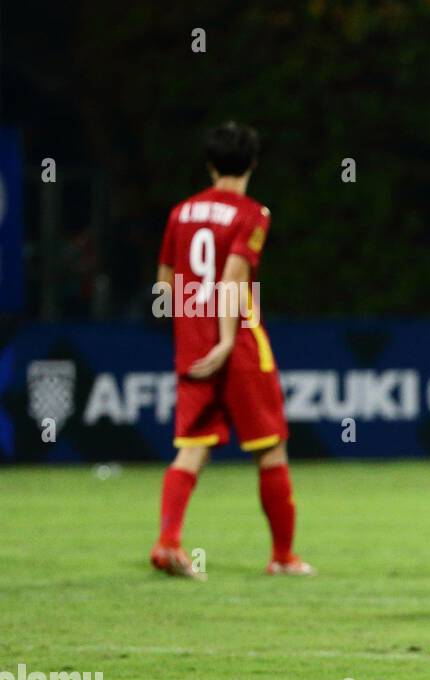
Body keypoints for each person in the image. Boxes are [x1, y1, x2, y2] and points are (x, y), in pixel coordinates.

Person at [151, 122, 313, 580]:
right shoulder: (252, 213)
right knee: (270, 448)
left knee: (191, 448)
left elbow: (164, 283)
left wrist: (185, 330)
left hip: (193, 341)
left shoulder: (181, 213)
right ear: (254, 164)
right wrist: (225, 340)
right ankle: (282, 556)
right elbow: (232, 279)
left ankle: (168, 542)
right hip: (236, 341)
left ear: (209, 163)